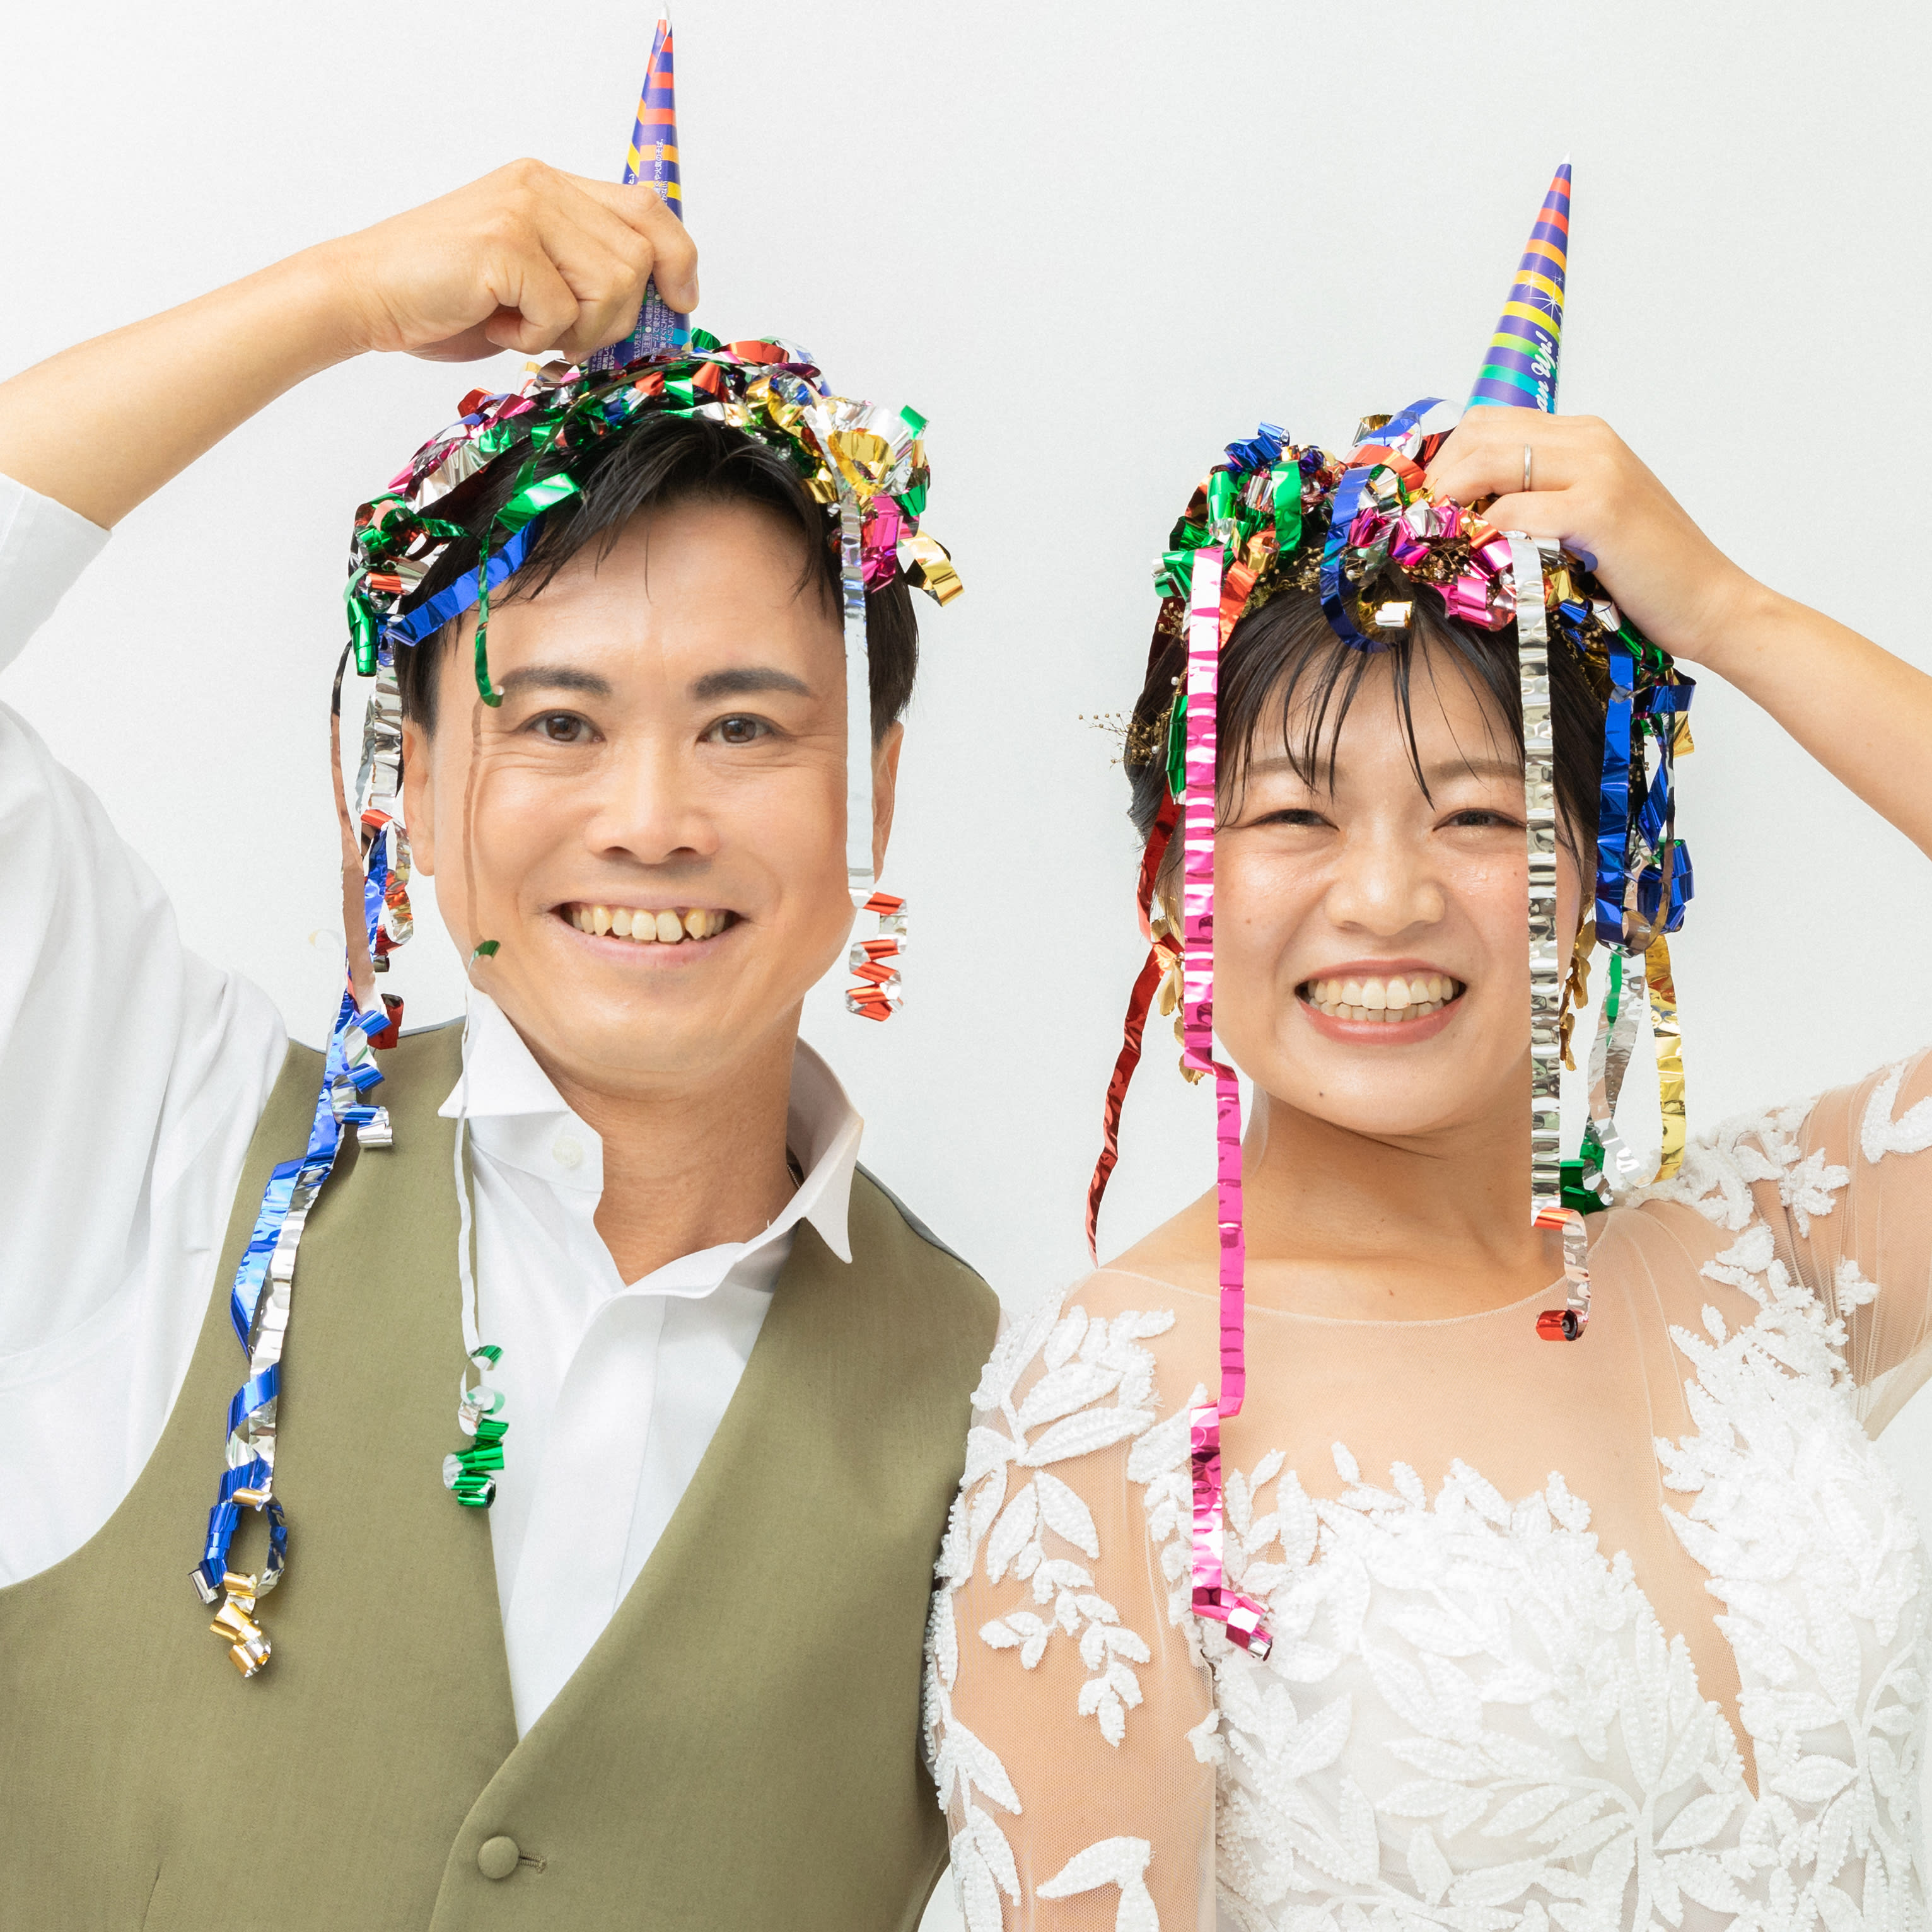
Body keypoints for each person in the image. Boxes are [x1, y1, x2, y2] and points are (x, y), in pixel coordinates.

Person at [0, 40, 997, 1928]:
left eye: (744, 726)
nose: (653, 820)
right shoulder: (164, 1158)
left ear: (873, 784)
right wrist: (337, 299)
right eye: (556, 721)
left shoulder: (995, 1401)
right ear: (412, 786)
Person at [922, 164, 1932, 1931]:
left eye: (1478, 816)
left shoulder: (1768, 1252)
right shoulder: (1118, 1419)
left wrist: (1727, 614)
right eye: (1295, 819)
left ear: (1609, 881)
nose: (1385, 899)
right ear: (1175, 887)